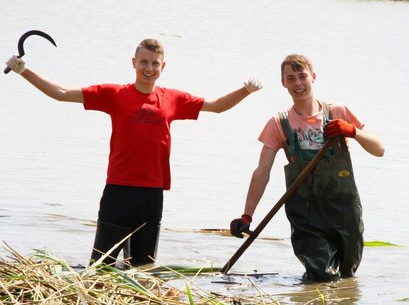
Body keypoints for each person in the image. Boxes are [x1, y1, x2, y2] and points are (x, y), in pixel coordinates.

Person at [5, 38, 262, 267]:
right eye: (143, 62)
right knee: (101, 267)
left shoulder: (173, 98)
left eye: (155, 63)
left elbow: (217, 106)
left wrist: (246, 91)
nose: (149, 69)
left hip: (152, 193)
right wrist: (24, 71)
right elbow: (61, 93)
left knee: (143, 269)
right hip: (119, 190)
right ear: (133, 63)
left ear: (163, 67)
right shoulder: (114, 94)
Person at [229, 54, 384, 282]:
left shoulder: (337, 112)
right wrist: (247, 215)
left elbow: (379, 149)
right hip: (306, 215)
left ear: (313, 77)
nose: (298, 84)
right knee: (322, 274)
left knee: (347, 276)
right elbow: (262, 172)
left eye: (302, 76)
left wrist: (352, 131)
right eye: (291, 78)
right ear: (284, 83)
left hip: (345, 212)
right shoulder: (278, 123)